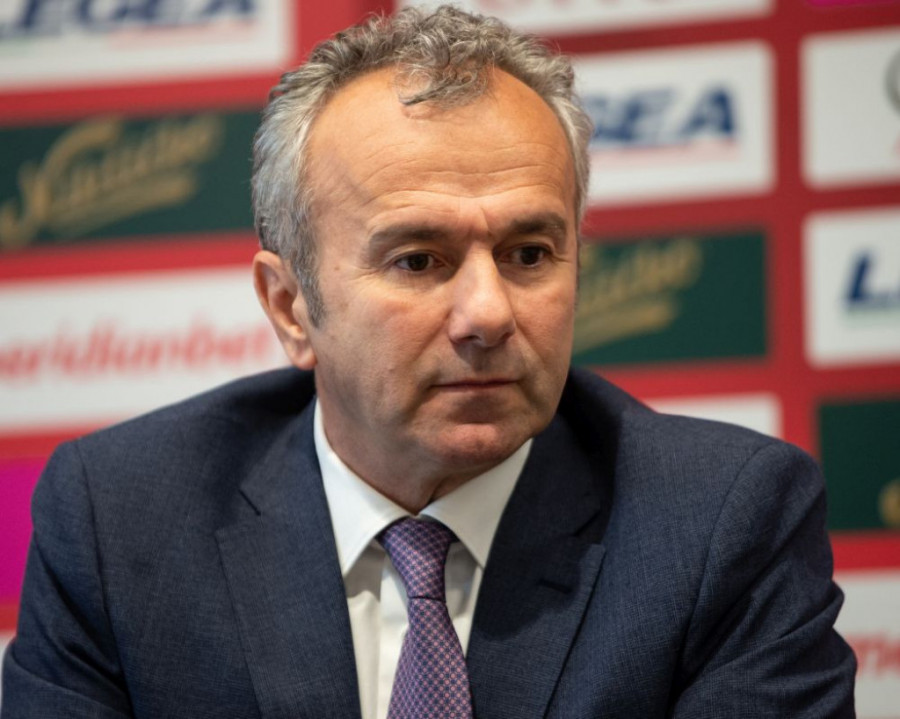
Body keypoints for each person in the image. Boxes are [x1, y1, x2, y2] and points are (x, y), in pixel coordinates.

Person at [2, 6, 855, 718]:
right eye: (418, 260)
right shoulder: (121, 522)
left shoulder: (719, 523)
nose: (488, 313)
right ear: (291, 307)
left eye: (529, 253)